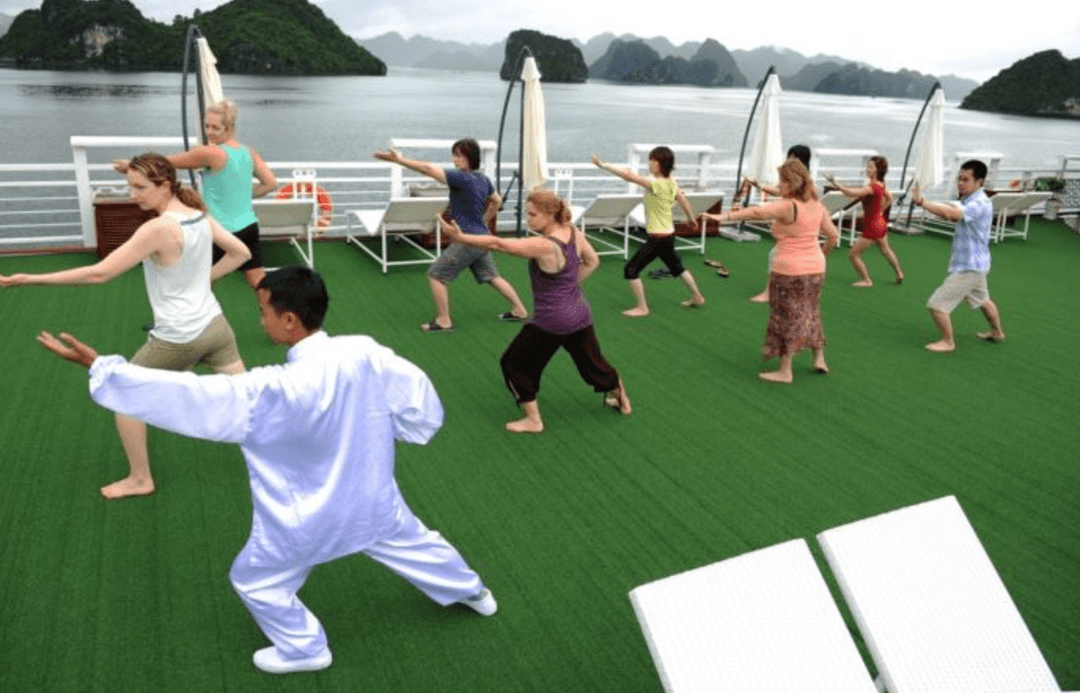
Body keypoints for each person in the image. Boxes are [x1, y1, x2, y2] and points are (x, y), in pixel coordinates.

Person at [36, 266, 498, 674]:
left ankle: (304, 649)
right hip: (372, 498)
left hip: (305, 519)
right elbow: (417, 397)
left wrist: (104, 368)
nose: (260, 320)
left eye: (264, 313)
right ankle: (473, 592)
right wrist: (409, 427)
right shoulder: (363, 351)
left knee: (255, 579)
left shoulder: (270, 390)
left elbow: (193, 397)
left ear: (290, 320)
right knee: (416, 542)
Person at [1, 152, 250, 498]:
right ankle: (293, 451)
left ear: (165, 186)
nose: (133, 194)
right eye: (129, 185)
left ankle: (140, 479)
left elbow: (99, 273)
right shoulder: (200, 215)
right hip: (216, 326)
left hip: (179, 337)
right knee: (251, 398)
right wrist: (204, 282)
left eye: (139, 187)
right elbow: (241, 253)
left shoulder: (158, 228)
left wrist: (27, 278)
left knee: (124, 398)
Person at [442, 189, 631, 433]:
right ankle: (623, 400)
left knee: (514, 363)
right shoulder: (573, 232)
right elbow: (592, 261)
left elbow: (499, 243)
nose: (527, 219)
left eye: (532, 214)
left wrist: (462, 237)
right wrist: (569, 287)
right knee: (593, 364)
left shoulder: (546, 245)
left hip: (553, 319)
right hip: (579, 310)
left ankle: (533, 420)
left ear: (550, 214)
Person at [113, 100, 277, 290]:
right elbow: (270, 184)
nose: (209, 132)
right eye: (207, 126)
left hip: (220, 232)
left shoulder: (210, 153)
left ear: (229, 127)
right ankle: (280, 317)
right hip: (248, 228)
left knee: (198, 285)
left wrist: (130, 166)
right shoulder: (248, 152)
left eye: (216, 127)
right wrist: (240, 195)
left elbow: (165, 163)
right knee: (260, 287)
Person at [703, 159, 840, 383]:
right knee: (811, 311)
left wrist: (724, 216)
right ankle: (819, 358)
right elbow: (833, 236)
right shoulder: (818, 205)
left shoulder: (789, 206)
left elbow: (757, 213)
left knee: (784, 316)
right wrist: (819, 256)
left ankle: (785, 371)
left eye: (781, 182)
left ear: (790, 183)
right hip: (815, 269)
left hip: (789, 270)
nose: (779, 186)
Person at [373, 139, 528, 332]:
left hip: (469, 240)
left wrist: (399, 160)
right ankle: (519, 309)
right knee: (492, 276)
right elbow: (496, 201)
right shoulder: (483, 179)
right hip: (482, 238)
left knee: (435, 275)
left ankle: (444, 320)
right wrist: (484, 221)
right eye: (454, 154)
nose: (455, 159)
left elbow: (427, 168)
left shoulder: (460, 178)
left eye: (459, 155)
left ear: (471, 157)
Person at [591, 147, 706, 316]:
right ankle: (697, 297)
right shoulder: (671, 181)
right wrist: (691, 218)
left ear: (663, 164)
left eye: (654, 161)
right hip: (668, 236)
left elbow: (630, 176)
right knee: (677, 268)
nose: (650, 163)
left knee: (631, 270)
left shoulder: (656, 185)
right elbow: (682, 198)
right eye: (650, 160)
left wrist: (604, 166)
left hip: (658, 239)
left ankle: (642, 308)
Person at [912, 159, 1005, 352]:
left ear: (980, 182)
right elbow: (950, 212)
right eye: (959, 178)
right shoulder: (970, 200)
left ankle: (948, 342)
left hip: (969, 267)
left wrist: (923, 202)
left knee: (937, 304)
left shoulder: (979, 203)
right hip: (978, 264)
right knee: (983, 300)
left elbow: (953, 215)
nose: (960, 183)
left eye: (966, 179)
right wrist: (932, 207)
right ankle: (997, 332)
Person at [743, 145, 813, 303]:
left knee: (776, 255)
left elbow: (783, 195)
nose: (788, 159)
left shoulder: (800, 180)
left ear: (799, 159)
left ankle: (769, 293)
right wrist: (759, 186)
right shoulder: (803, 178)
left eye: (792, 157)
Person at [825, 156, 905, 286]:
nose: (867, 169)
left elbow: (852, 193)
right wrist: (880, 211)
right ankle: (899, 273)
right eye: (867, 166)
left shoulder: (872, 187)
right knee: (886, 249)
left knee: (853, 255)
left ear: (878, 170)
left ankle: (867, 280)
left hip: (873, 226)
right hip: (880, 223)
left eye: (871, 167)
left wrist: (836, 184)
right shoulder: (882, 184)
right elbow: (890, 198)